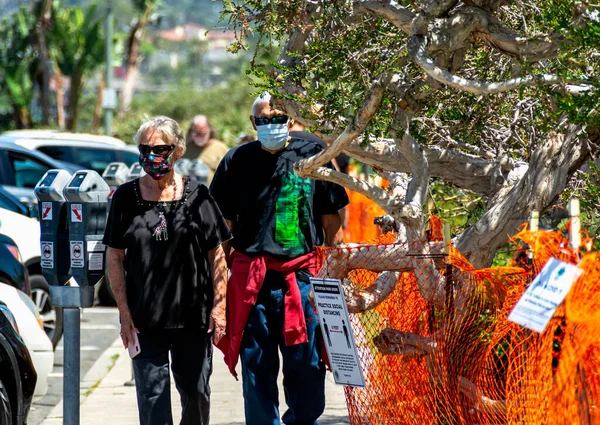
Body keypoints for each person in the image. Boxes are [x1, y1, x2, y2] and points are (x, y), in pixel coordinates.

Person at [210, 92, 349, 425]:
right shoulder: (235, 160)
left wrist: (333, 281)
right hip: (251, 280)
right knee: (256, 368)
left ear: (290, 119)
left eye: (277, 118)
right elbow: (221, 233)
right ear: (252, 123)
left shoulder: (313, 155)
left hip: (303, 280)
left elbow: (333, 221)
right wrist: (217, 295)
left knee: (308, 367)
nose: (270, 125)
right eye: (263, 120)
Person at [104, 116, 231, 425]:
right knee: (152, 397)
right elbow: (115, 258)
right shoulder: (125, 198)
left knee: (196, 394)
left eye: (160, 148)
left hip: (193, 318)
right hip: (144, 321)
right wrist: (123, 313)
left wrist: (219, 308)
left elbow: (218, 255)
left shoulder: (198, 196)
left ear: (178, 151)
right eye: (145, 148)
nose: (152, 155)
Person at [183, 115, 229, 185]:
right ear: (190, 131)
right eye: (195, 133)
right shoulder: (185, 149)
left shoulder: (219, 148)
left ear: (209, 130)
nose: (199, 136)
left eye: (202, 133)